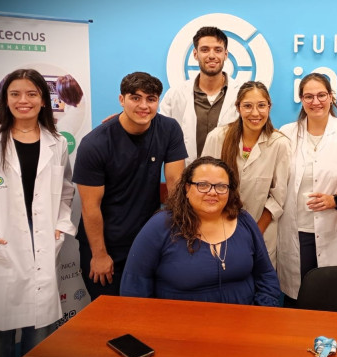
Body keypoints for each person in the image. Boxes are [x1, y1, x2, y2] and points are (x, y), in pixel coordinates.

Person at [73, 72, 187, 300]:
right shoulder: (95, 143)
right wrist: (99, 254)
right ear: (121, 99)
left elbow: (176, 184)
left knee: (148, 316)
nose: (144, 106)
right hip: (106, 244)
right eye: (135, 98)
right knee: (110, 319)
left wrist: (179, 237)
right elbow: (90, 206)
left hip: (147, 240)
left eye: (151, 99)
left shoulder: (169, 129)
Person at [120, 156, 280, 306]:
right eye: (202, 185)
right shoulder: (160, 226)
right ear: (187, 188)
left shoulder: (244, 220)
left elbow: (266, 275)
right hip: (177, 327)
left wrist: (261, 311)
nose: (212, 192)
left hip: (244, 324)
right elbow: (134, 285)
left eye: (221, 186)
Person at [0, 69, 76, 357]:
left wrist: (59, 225)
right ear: (5, 99)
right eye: (15, 94)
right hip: (2, 237)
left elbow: (65, 190)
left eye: (32, 93)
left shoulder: (58, 142)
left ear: (43, 99)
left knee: (40, 335)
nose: (23, 100)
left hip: (41, 234)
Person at [278, 73, 337, 305]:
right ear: (301, 99)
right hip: (296, 231)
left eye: (321, 95)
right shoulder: (286, 133)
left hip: (335, 229)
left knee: (332, 298)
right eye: (308, 96)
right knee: (297, 299)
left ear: (331, 97)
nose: (315, 102)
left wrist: (336, 199)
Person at [203, 81, 289, 267]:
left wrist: (254, 233)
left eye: (261, 106)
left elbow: (277, 198)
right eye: (248, 106)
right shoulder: (217, 138)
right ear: (238, 107)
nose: (255, 113)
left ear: (269, 107)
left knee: (258, 285)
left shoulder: (279, 143)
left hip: (261, 231)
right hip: (218, 228)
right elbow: (203, 185)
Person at [160, 26, 241, 164]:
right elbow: (159, 134)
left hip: (229, 177)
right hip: (186, 177)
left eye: (218, 50)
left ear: (226, 55)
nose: (211, 55)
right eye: (204, 49)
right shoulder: (175, 95)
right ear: (195, 54)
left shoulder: (241, 94)